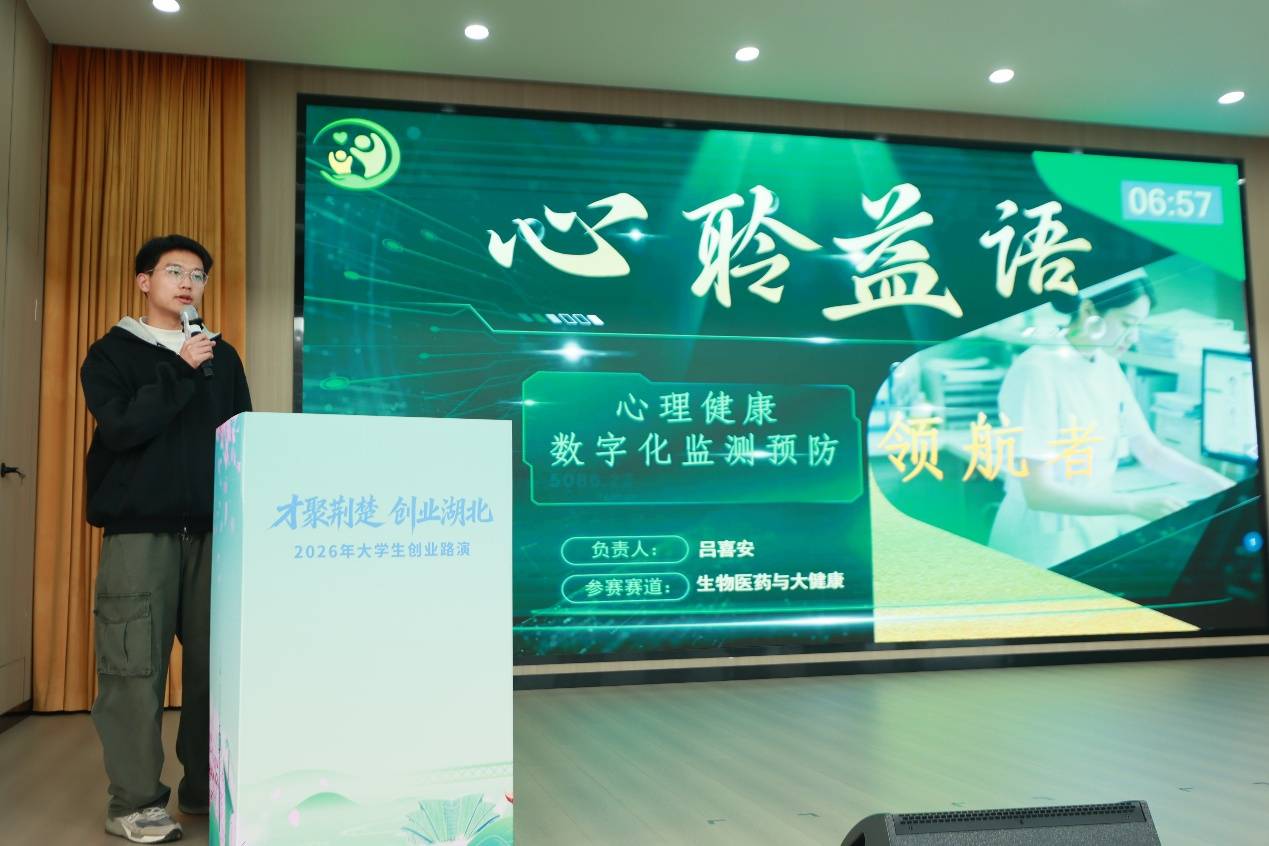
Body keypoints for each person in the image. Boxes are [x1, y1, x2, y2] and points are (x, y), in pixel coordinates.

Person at [81, 234, 251, 842]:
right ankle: (134, 802)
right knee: (134, 671)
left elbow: (240, 438)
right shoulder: (111, 354)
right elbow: (123, 428)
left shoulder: (221, 356)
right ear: (143, 281)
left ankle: (206, 787)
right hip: (140, 533)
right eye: (174, 271)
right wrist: (180, 369)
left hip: (213, 535)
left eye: (198, 275)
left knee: (215, 669)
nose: (187, 283)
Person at [987, 273, 1229, 569]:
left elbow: (1149, 450)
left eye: (1139, 326)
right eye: (1127, 323)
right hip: (1040, 541)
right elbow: (1038, 492)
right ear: (1089, 310)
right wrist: (1133, 504)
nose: (1134, 337)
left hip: (1093, 527)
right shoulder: (1037, 370)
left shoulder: (1106, 363)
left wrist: (1219, 484)